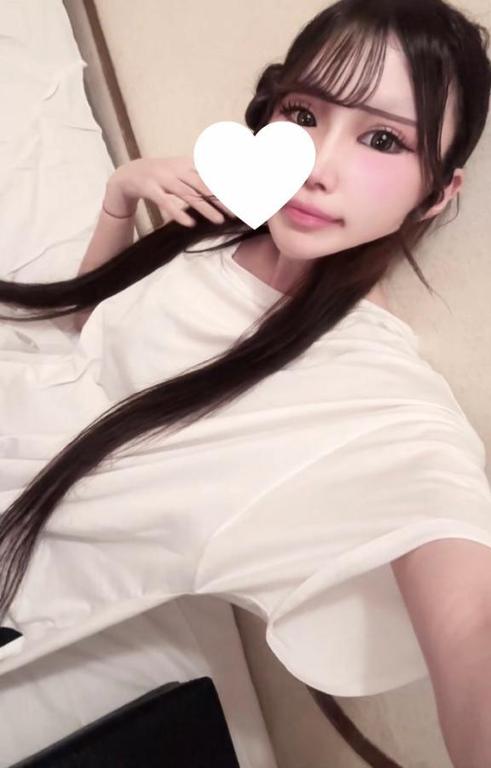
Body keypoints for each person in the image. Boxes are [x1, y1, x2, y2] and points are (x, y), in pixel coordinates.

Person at [0, 0, 491, 764]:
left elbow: (468, 624)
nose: (316, 165)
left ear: (436, 194)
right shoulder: (229, 223)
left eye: (382, 139)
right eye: (304, 113)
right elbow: (91, 326)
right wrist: (121, 193)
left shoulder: (377, 394)